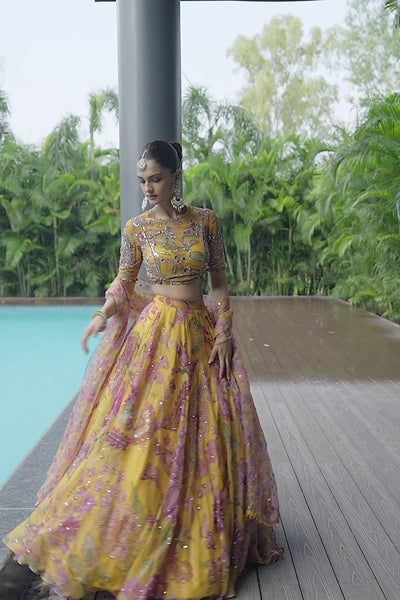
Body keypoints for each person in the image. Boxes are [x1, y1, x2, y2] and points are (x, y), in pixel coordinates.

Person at [2, 140, 282, 600]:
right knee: (143, 432)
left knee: (208, 434)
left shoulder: (205, 221)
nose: (148, 188)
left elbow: (219, 282)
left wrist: (224, 332)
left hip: (201, 336)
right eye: (142, 180)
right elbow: (124, 280)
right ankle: (131, 524)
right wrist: (103, 312)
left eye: (155, 178)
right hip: (156, 338)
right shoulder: (137, 228)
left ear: (175, 176)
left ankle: (194, 524)